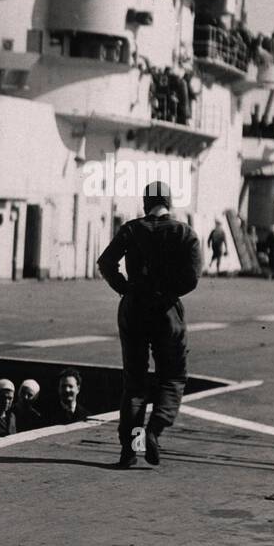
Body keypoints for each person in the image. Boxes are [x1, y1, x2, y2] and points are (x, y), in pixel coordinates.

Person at [97, 181, 201, 468]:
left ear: (145, 203)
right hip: (167, 312)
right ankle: (154, 430)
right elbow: (192, 277)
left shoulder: (131, 229)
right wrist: (167, 293)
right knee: (173, 376)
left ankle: (129, 451)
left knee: (135, 382)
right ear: (170, 202)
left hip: (134, 309)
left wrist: (125, 288)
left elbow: (106, 263)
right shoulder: (184, 233)